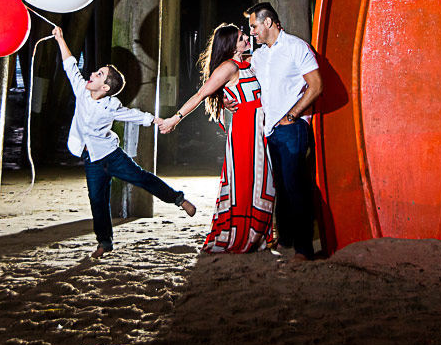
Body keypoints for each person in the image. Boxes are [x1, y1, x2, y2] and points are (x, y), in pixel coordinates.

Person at [52, 26, 196, 259]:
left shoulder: (111, 105)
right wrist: (60, 38)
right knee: (97, 200)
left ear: (106, 88)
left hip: (112, 155)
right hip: (92, 159)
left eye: (98, 74)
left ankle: (178, 199)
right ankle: (104, 242)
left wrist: (159, 121)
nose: (92, 74)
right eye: (96, 72)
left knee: (142, 178)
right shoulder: (81, 90)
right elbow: (70, 64)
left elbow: (134, 115)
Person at [160, 23, 274, 253]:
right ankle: (244, 234)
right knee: (247, 181)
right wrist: (175, 118)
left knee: (263, 181)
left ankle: (260, 234)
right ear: (231, 44)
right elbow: (202, 94)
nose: (246, 39)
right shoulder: (228, 67)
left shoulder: (249, 61)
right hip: (245, 129)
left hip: (261, 126)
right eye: (241, 37)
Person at [244, 2, 323, 262]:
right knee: (280, 186)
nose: (252, 32)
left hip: (292, 129)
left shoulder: (296, 47)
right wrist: (229, 101)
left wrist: (292, 116)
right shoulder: (259, 56)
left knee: (295, 186)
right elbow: (247, 85)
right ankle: (286, 239)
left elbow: (316, 85)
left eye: (254, 26)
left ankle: (303, 249)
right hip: (269, 131)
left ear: (268, 22)